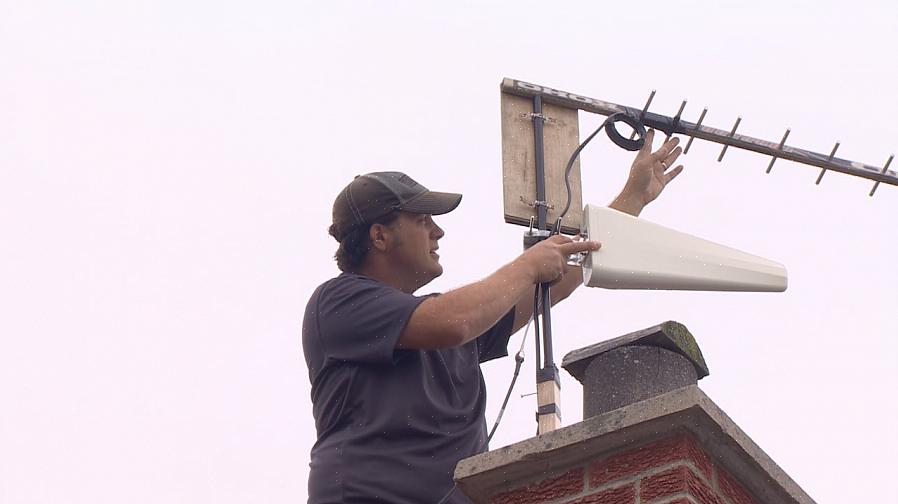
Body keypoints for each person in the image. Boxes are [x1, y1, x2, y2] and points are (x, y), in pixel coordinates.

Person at [302, 130, 684, 503]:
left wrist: (632, 201)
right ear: (379, 236)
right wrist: (528, 265)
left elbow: (556, 282)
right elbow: (454, 321)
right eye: (421, 221)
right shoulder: (339, 302)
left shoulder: (450, 322)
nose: (438, 231)